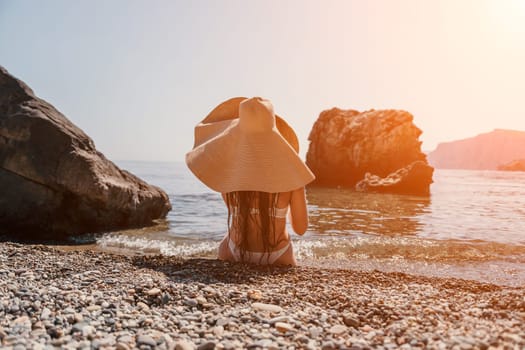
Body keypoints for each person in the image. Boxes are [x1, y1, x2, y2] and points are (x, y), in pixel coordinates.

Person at [186, 97, 315, 265]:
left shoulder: (230, 171)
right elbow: (300, 229)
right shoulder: (291, 174)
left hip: (235, 250)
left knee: (225, 241)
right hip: (279, 254)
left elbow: (235, 211)